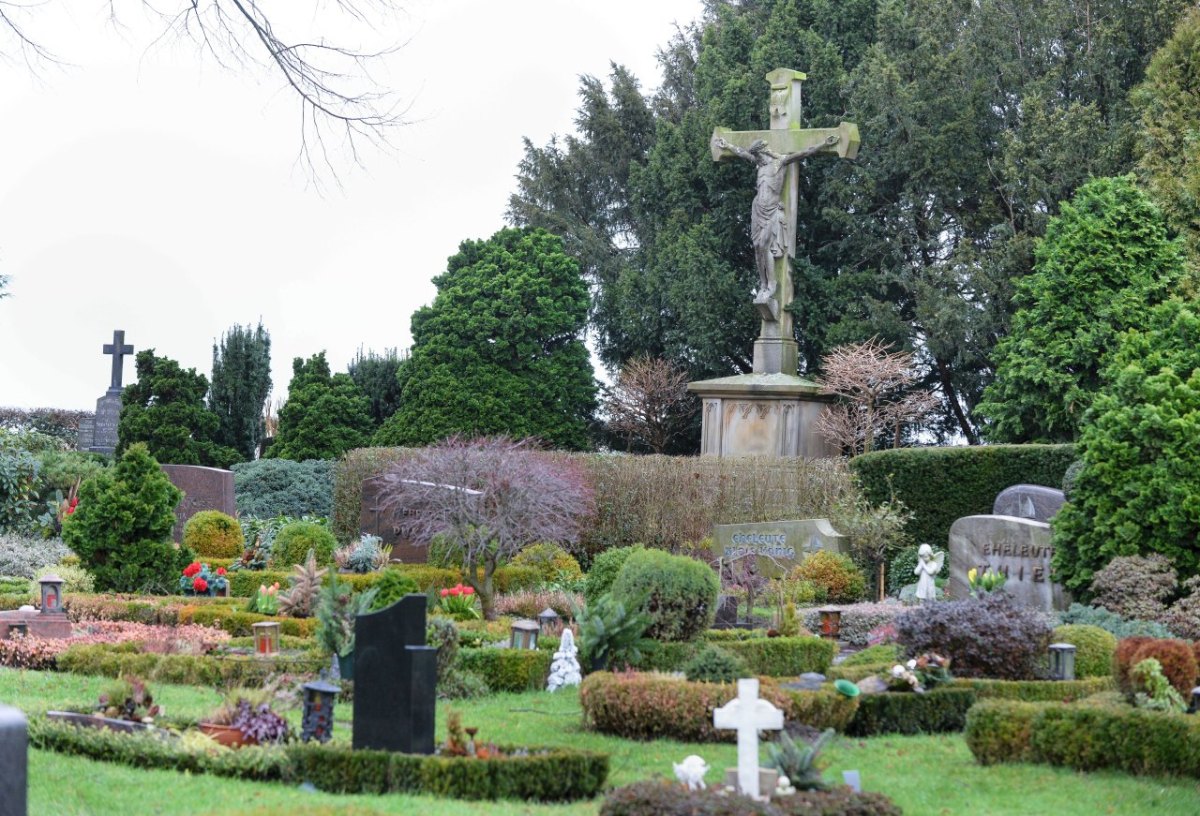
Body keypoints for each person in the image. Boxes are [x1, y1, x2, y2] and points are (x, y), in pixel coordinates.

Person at [713, 134, 839, 309]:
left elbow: (805, 152)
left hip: (771, 211)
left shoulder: (779, 162)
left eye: (758, 156)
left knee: (765, 245)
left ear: (764, 152)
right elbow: (741, 153)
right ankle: (763, 285)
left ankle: (772, 284)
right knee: (757, 248)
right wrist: (727, 145)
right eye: (756, 157)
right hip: (757, 210)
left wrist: (824, 144)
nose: (757, 159)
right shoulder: (760, 164)